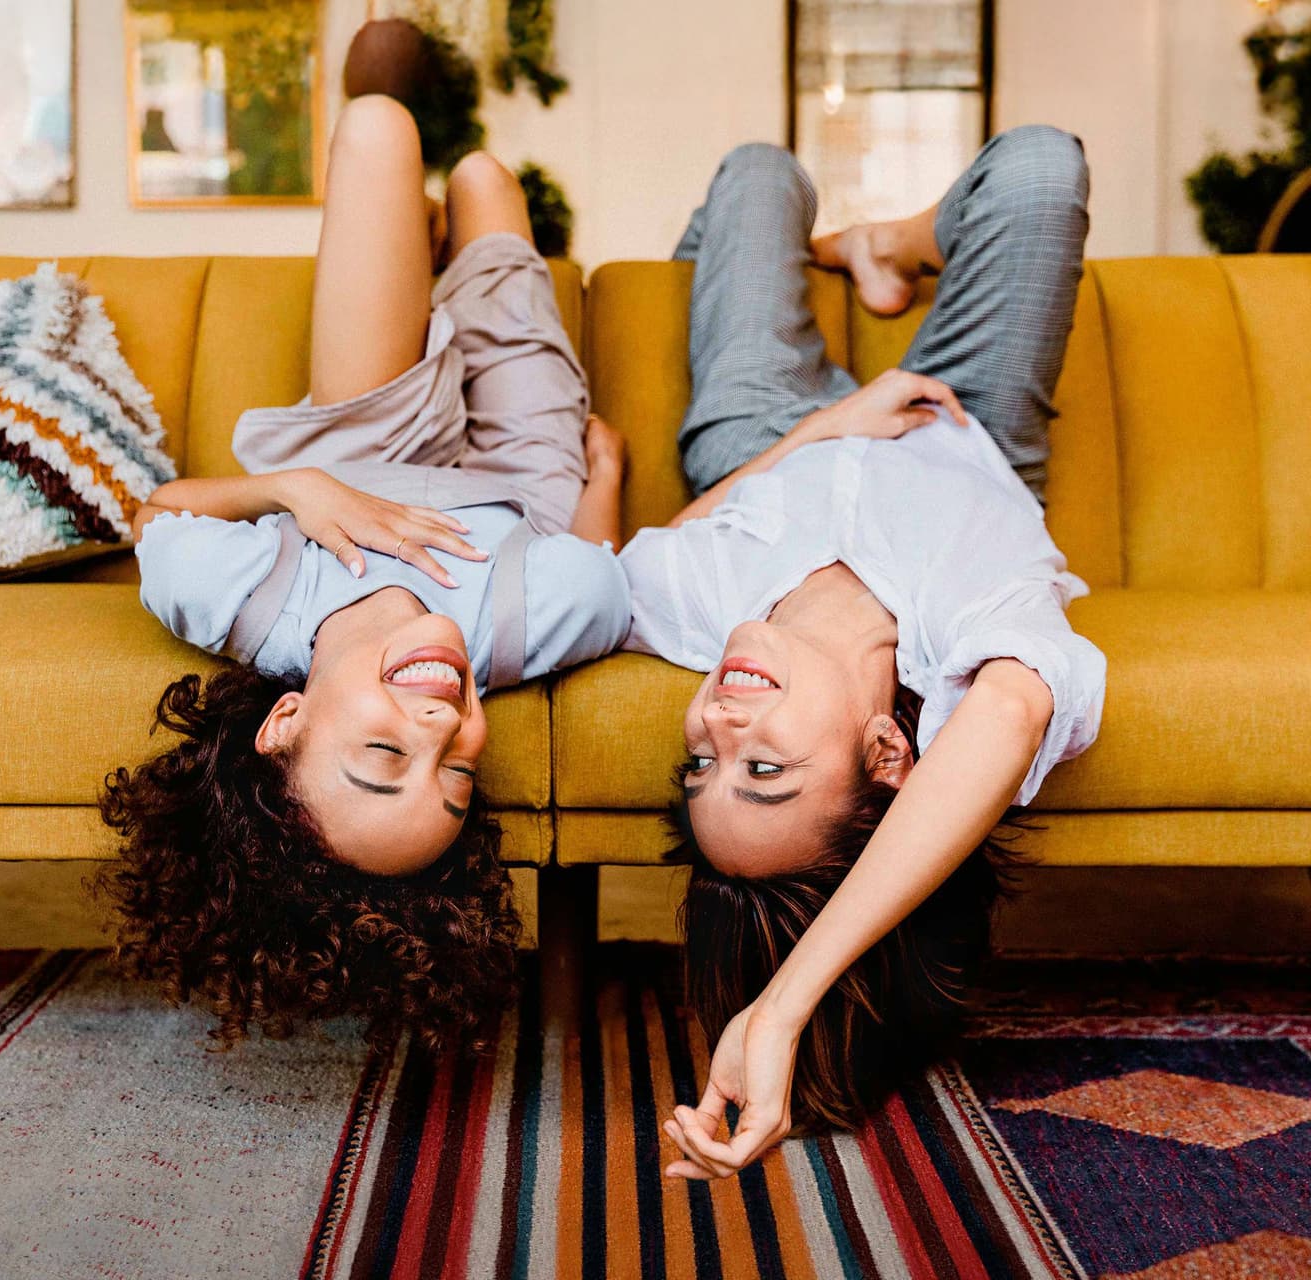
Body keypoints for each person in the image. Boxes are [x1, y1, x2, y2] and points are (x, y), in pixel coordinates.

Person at [96, 95, 631, 1052]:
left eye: (385, 756)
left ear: (285, 720)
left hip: (363, 446)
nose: (440, 728)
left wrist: (293, 489)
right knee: (485, 182)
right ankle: (444, 244)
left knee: (385, 118)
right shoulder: (540, 618)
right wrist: (609, 479)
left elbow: (158, 510)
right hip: (523, 481)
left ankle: (409, 255)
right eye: (459, 772)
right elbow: (598, 566)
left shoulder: (249, 604)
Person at [616, 128, 1106, 1172]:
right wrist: (781, 1007)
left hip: (760, 438)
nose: (717, 721)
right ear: (888, 752)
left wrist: (822, 427)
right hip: (964, 421)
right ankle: (891, 240)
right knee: (1037, 171)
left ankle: (857, 250)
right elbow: (1015, 713)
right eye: (765, 766)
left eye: (701, 761)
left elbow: (641, 552)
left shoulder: (696, 609)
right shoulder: (975, 620)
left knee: (755, 171)